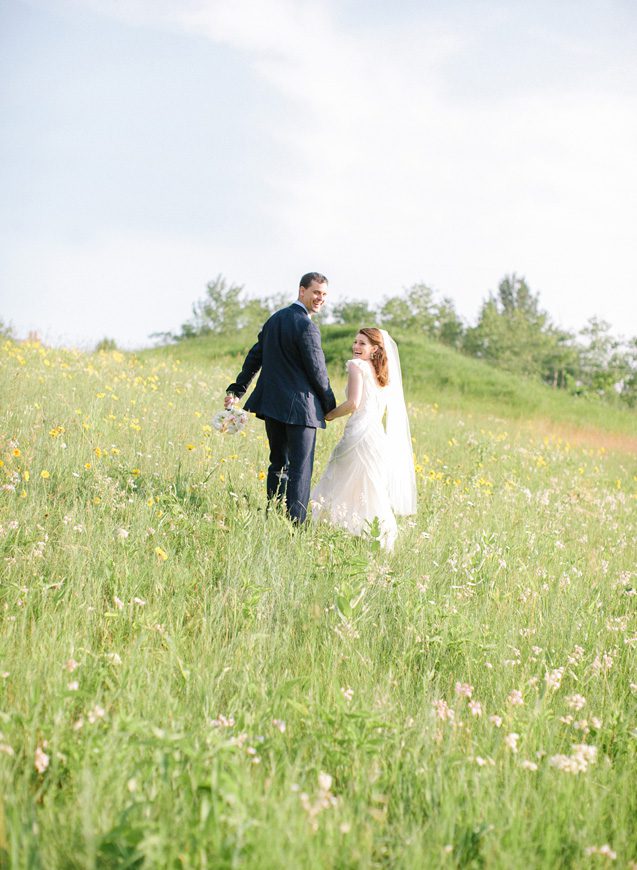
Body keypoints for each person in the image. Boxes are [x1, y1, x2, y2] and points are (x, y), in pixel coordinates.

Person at [225, 273, 336, 523]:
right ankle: (295, 525)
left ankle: (274, 516)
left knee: (278, 464)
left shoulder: (275, 319)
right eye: (316, 292)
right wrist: (329, 406)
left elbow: (255, 357)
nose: (320, 298)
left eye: (324, 294)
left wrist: (236, 390)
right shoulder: (307, 326)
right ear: (302, 291)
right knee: (300, 469)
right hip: (301, 411)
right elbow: (318, 372)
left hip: (273, 406)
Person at [310, 328, 416, 549]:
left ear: (375, 349)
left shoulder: (356, 366)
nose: (356, 347)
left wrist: (329, 415)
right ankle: (378, 535)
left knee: (338, 477)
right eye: (355, 342)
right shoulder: (383, 376)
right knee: (369, 485)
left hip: (358, 434)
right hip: (376, 437)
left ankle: (324, 525)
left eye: (362, 344)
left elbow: (353, 404)